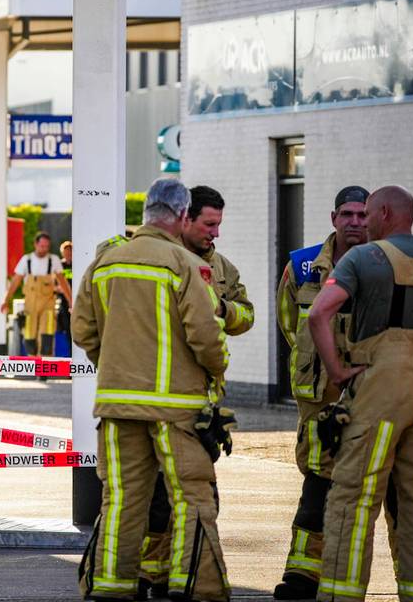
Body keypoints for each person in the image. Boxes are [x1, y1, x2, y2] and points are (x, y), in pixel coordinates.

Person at [74, 178, 232, 602]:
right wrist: (216, 372)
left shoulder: (106, 262)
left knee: (122, 500)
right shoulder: (184, 265)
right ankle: (193, 587)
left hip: (117, 404)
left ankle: (109, 588)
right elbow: (205, 335)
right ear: (182, 217)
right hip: (176, 411)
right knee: (191, 500)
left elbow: (83, 330)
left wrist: (115, 368)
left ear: (146, 212)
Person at [307, 185, 413, 602]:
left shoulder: (363, 257)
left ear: (387, 213)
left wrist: (337, 371)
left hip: (381, 388)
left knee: (354, 495)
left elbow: (319, 314)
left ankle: (341, 593)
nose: (363, 224)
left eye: (369, 215)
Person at [140, 185, 256, 598]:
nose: (216, 234)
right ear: (184, 217)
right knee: (155, 493)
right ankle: (152, 572)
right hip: (158, 392)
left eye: (219, 225)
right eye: (209, 224)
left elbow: (247, 315)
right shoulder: (160, 259)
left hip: (202, 398)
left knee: (197, 490)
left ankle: (181, 576)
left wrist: (223, 310)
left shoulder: (222, 268)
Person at [269, 186, 369, 600]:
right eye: (348, 214)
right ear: (333, 218)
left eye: (363, 215)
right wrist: (319, 364)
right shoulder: (303, 265)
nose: (356, 223)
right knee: (318, 478)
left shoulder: (387, 263)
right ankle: (303, 572)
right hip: (320, 395)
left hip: (371, 391)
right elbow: (290, 322)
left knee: (383, 483)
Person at [2, 231, 72, 357]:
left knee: (47, 335)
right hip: (30, 305)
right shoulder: (26, 260)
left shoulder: (54, 260)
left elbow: (63, 283)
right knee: (30, 336)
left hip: (48, 304)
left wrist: (71, 301)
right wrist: (6, 300)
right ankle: (33, 365)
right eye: (41, 246)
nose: (44, 249)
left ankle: (44, 371)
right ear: (35, 244)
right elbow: (15, 281)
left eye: (46, 247)